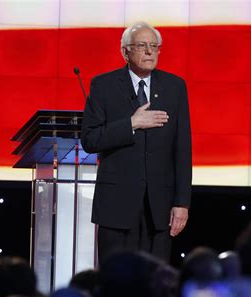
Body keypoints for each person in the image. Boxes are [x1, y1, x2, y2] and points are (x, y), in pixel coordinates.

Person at [81, 21, 192, 265]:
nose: (150, 51)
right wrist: (131, 123)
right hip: (116, 205)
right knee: (116, 280)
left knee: (156, 281)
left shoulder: (175, 87)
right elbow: (90, 139)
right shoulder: (104, 85)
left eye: (155, 46)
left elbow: (182, 149)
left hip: (159, 208)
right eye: (142, 45)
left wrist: (181, 203)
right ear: (125, 52)